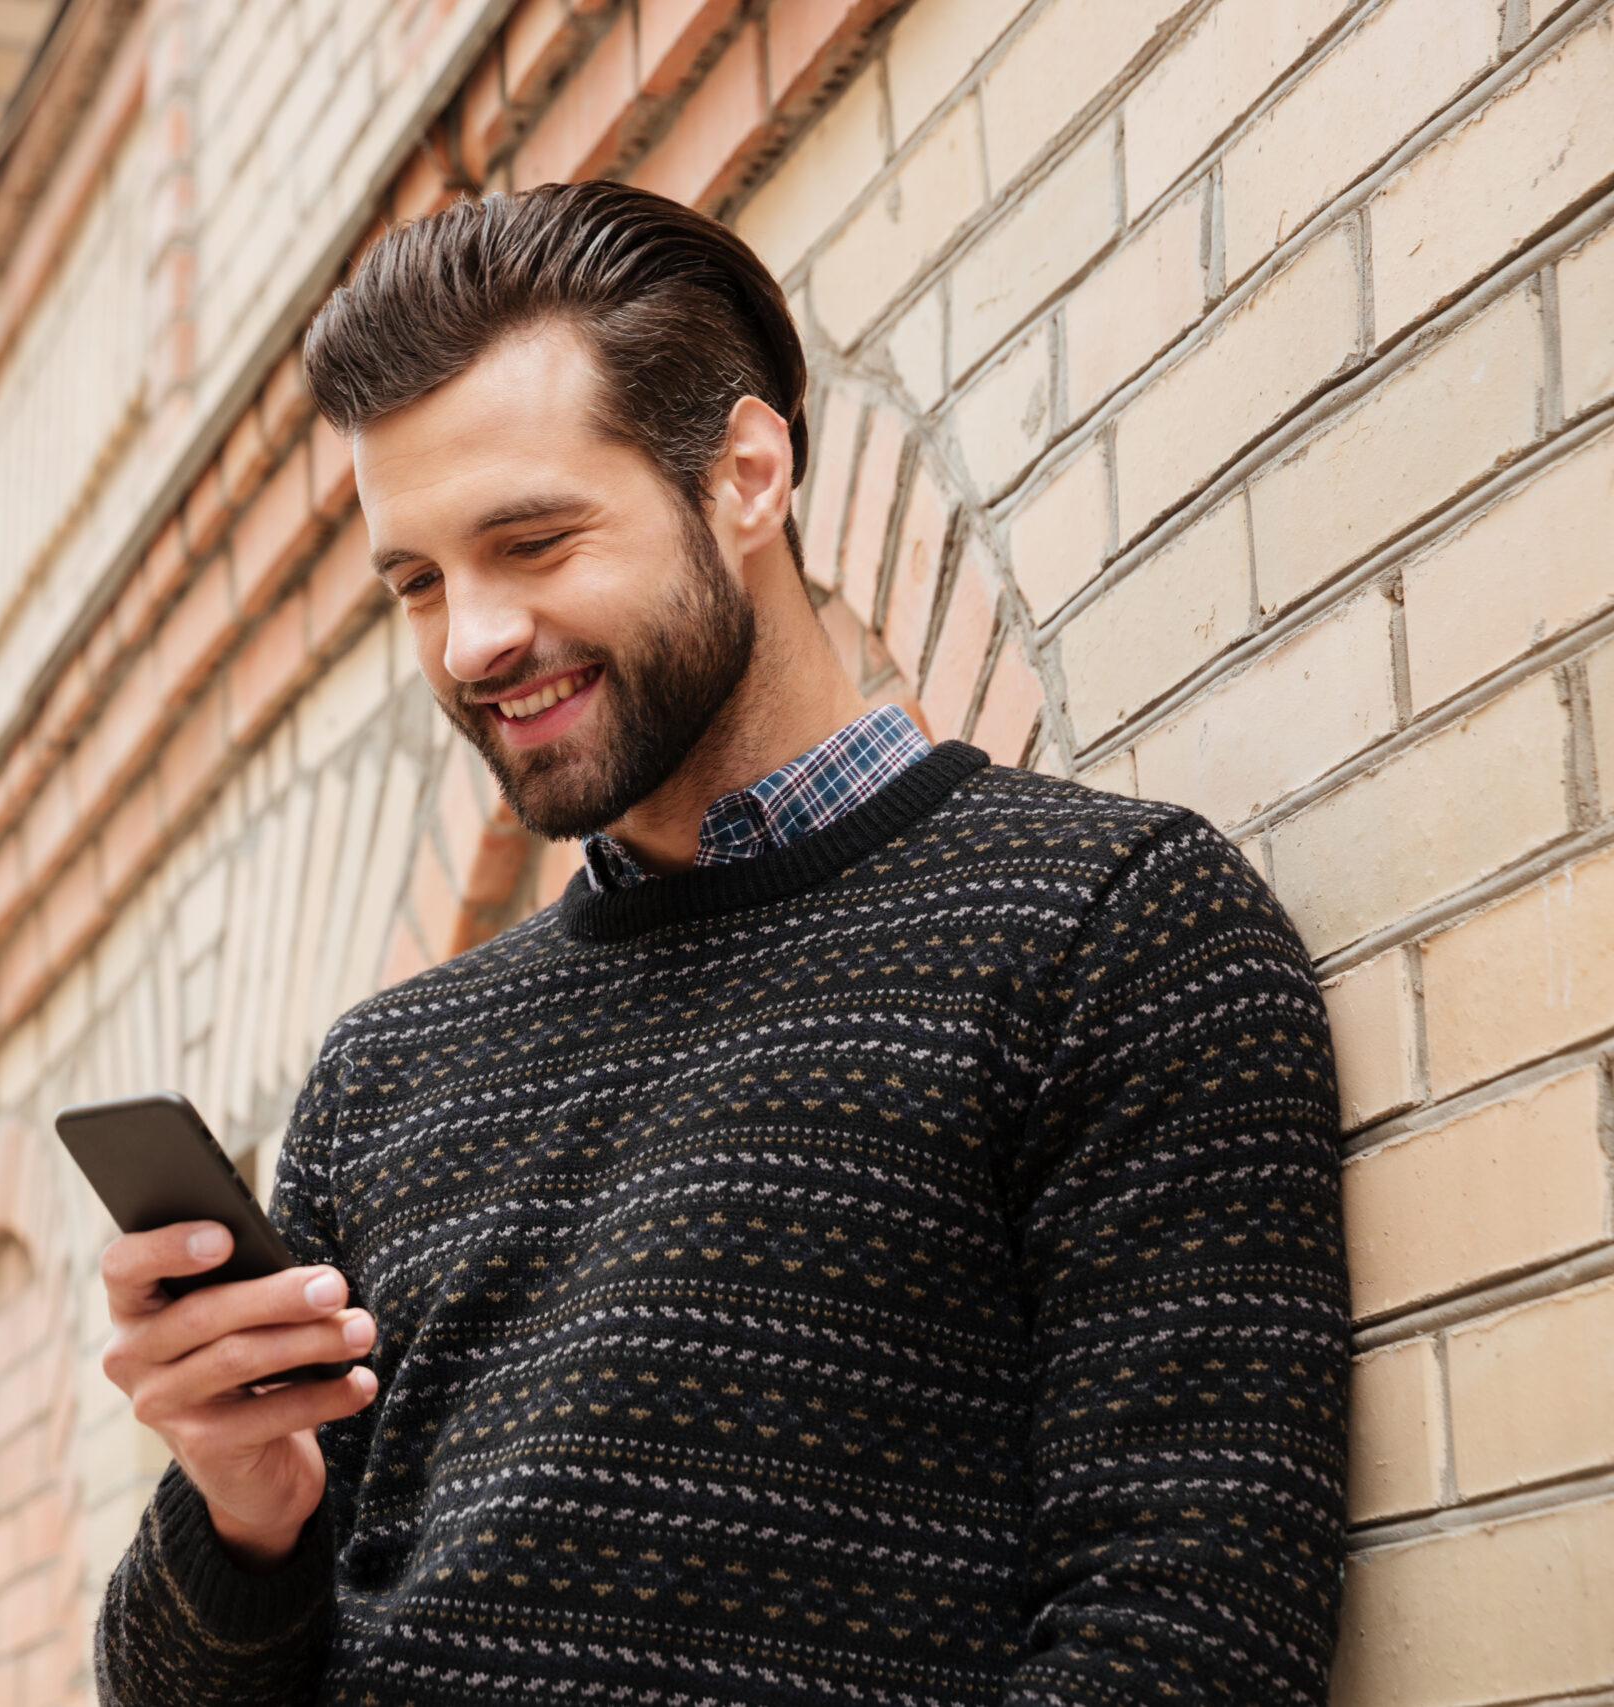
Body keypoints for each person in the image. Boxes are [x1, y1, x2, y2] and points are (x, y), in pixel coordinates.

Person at [93, 181, 1348, 1706]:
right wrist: (243, 1504)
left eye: (534, 541)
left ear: (747, 474)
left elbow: (1190, 1640)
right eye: (418, 581)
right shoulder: (384, 1077)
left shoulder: (1105, 932)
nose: (471, 640)